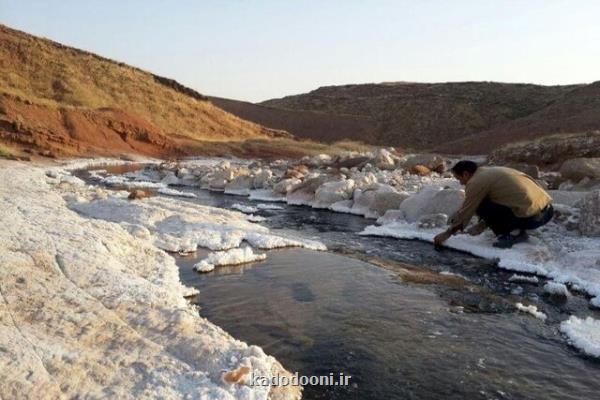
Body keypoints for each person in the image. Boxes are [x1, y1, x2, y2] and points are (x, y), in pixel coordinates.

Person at [434, 160, 554, 249]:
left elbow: (467, 210)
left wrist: (447, 234)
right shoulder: (488, 172)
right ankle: (515, 229)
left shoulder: (476, 182)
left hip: (534, 218)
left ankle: (514, 234)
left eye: (459, 178)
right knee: (487, 200)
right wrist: (483, 224)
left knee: (481, 204)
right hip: (547, 211)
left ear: (466, 174)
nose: (461, 183)